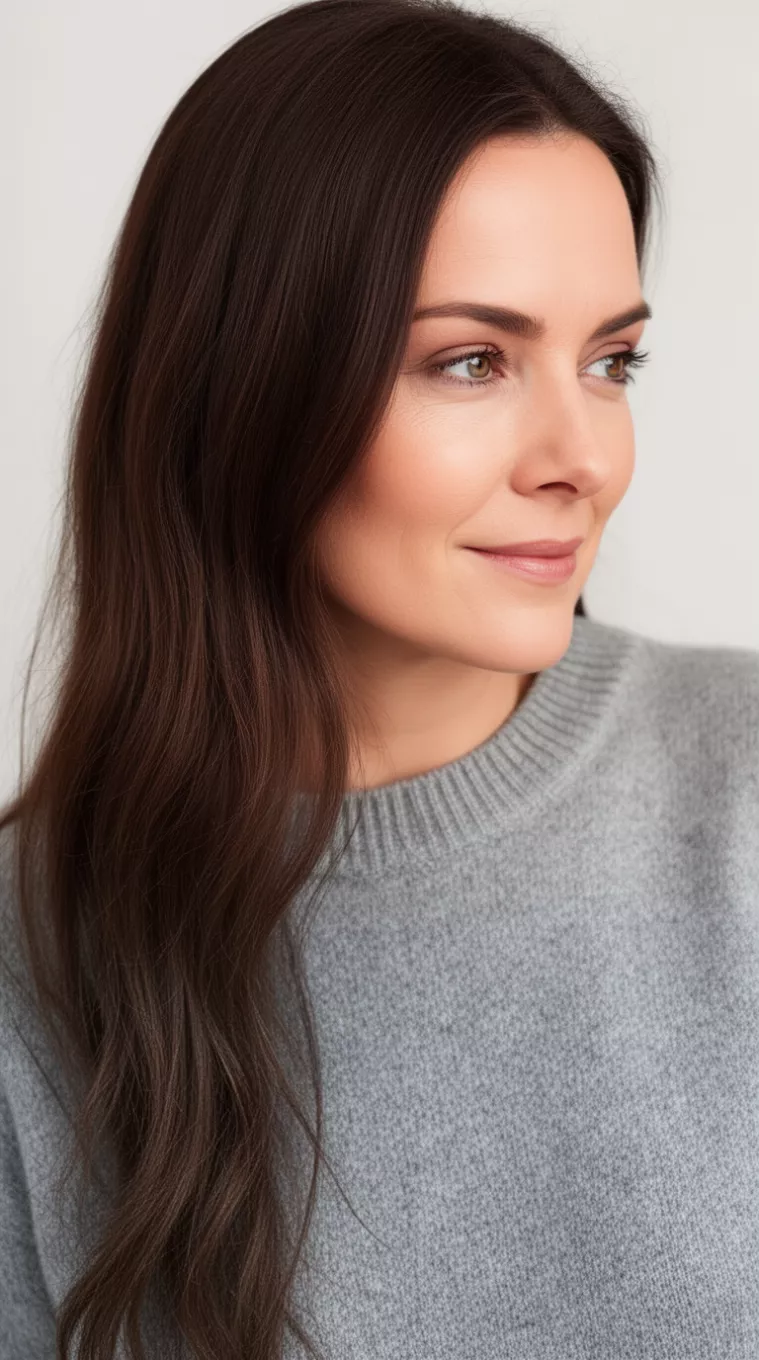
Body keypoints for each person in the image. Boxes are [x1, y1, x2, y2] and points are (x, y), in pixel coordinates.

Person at [1, 1, 758, 1357]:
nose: (580, 456)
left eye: (609, 361)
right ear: (241, 389)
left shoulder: (742, 788)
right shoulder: (31, 949)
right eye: (469, 361)